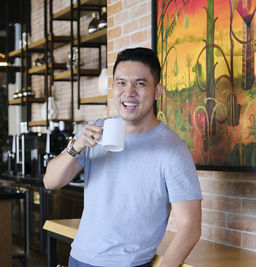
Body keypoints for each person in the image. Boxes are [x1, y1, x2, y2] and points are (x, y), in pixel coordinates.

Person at [43, 47, 202, 267]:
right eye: (121, 83)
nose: (129, 92)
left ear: (157, 91)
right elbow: (50, 181)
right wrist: (76, 146)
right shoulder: (96, 130)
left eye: (140, 83)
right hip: (79, 258)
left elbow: (190, 226)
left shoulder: (171, 149)